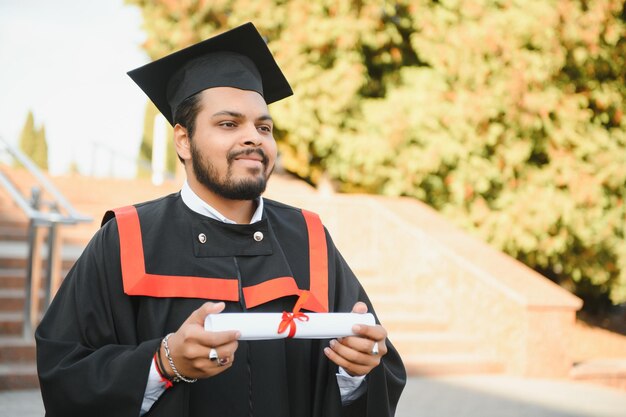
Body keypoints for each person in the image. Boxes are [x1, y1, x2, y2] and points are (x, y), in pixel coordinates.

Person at [35, 22, 406, 417]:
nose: (253, 137)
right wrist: (163, 364)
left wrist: (356, 371)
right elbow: (65, 372)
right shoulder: (127, 238)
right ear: (183, 140)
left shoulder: (308, 238)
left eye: (263, 127)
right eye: (229, 124)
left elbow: (377, 368)